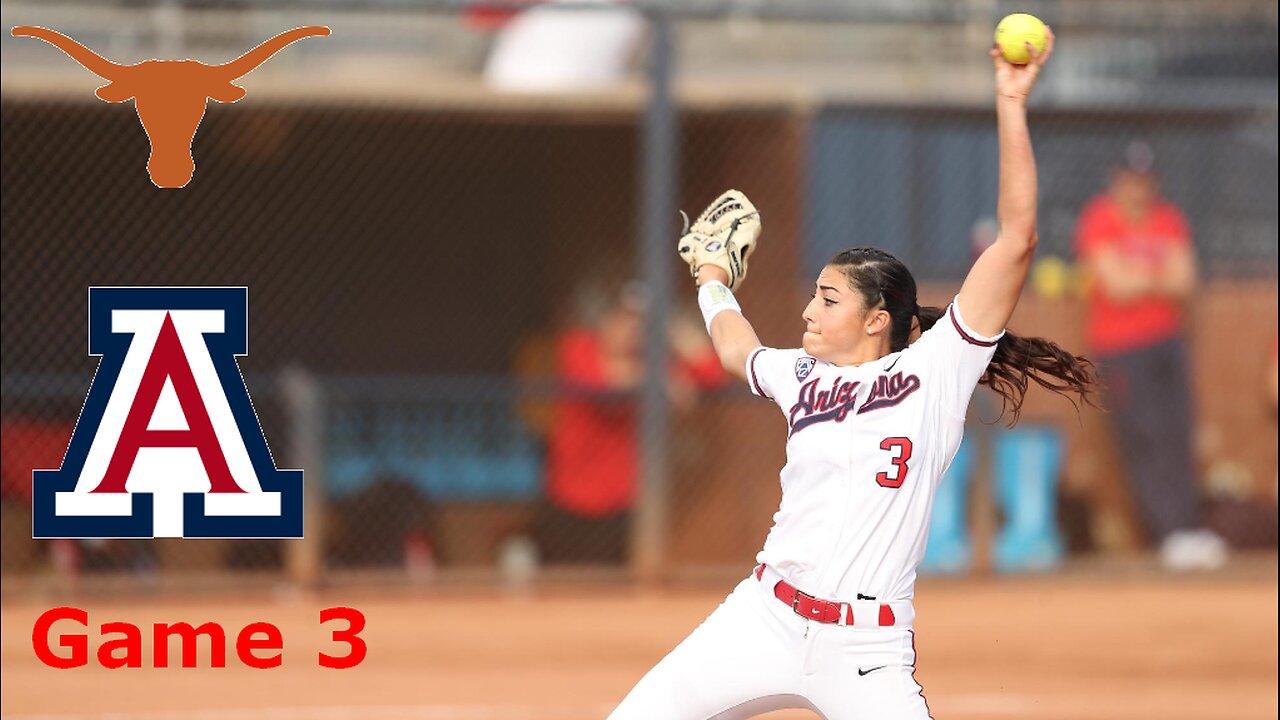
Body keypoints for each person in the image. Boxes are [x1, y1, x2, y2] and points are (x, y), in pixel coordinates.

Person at [609, 31, 1093, 719]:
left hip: (864, 650)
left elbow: (1017, 240)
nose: (808, 311)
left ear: (876, 319)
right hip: (761, 617)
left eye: (828, 299)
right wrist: (713, 277)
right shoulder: (800, 373)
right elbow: (733, 348)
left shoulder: (938, 368)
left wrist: (1010, 103)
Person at [1075, 140, 1227, 571]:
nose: (1137, 189)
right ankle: (1168, 533)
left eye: (1145, 181)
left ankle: (1187, 527)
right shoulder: (1099, 219)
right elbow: (1116, 284)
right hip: (1121, 348)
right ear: (1117, 181)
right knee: (1143, 437)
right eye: (1130, 180)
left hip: (1167, 341)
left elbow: (1185, 281)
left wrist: (1139, 274)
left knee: (1177, 434)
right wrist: (1154, 275)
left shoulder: (1169, 219)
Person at [536, 281, 724, 565]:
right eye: (621, 318)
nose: (630, 329)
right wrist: (661, 381)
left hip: (623, 505)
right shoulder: (579, 346)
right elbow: (601, 383)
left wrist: (671, 324)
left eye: (637, 322)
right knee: (562, 591)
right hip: (570, 503)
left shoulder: (651, 361)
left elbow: (713, 374)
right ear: (604, 320)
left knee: (615, 595)